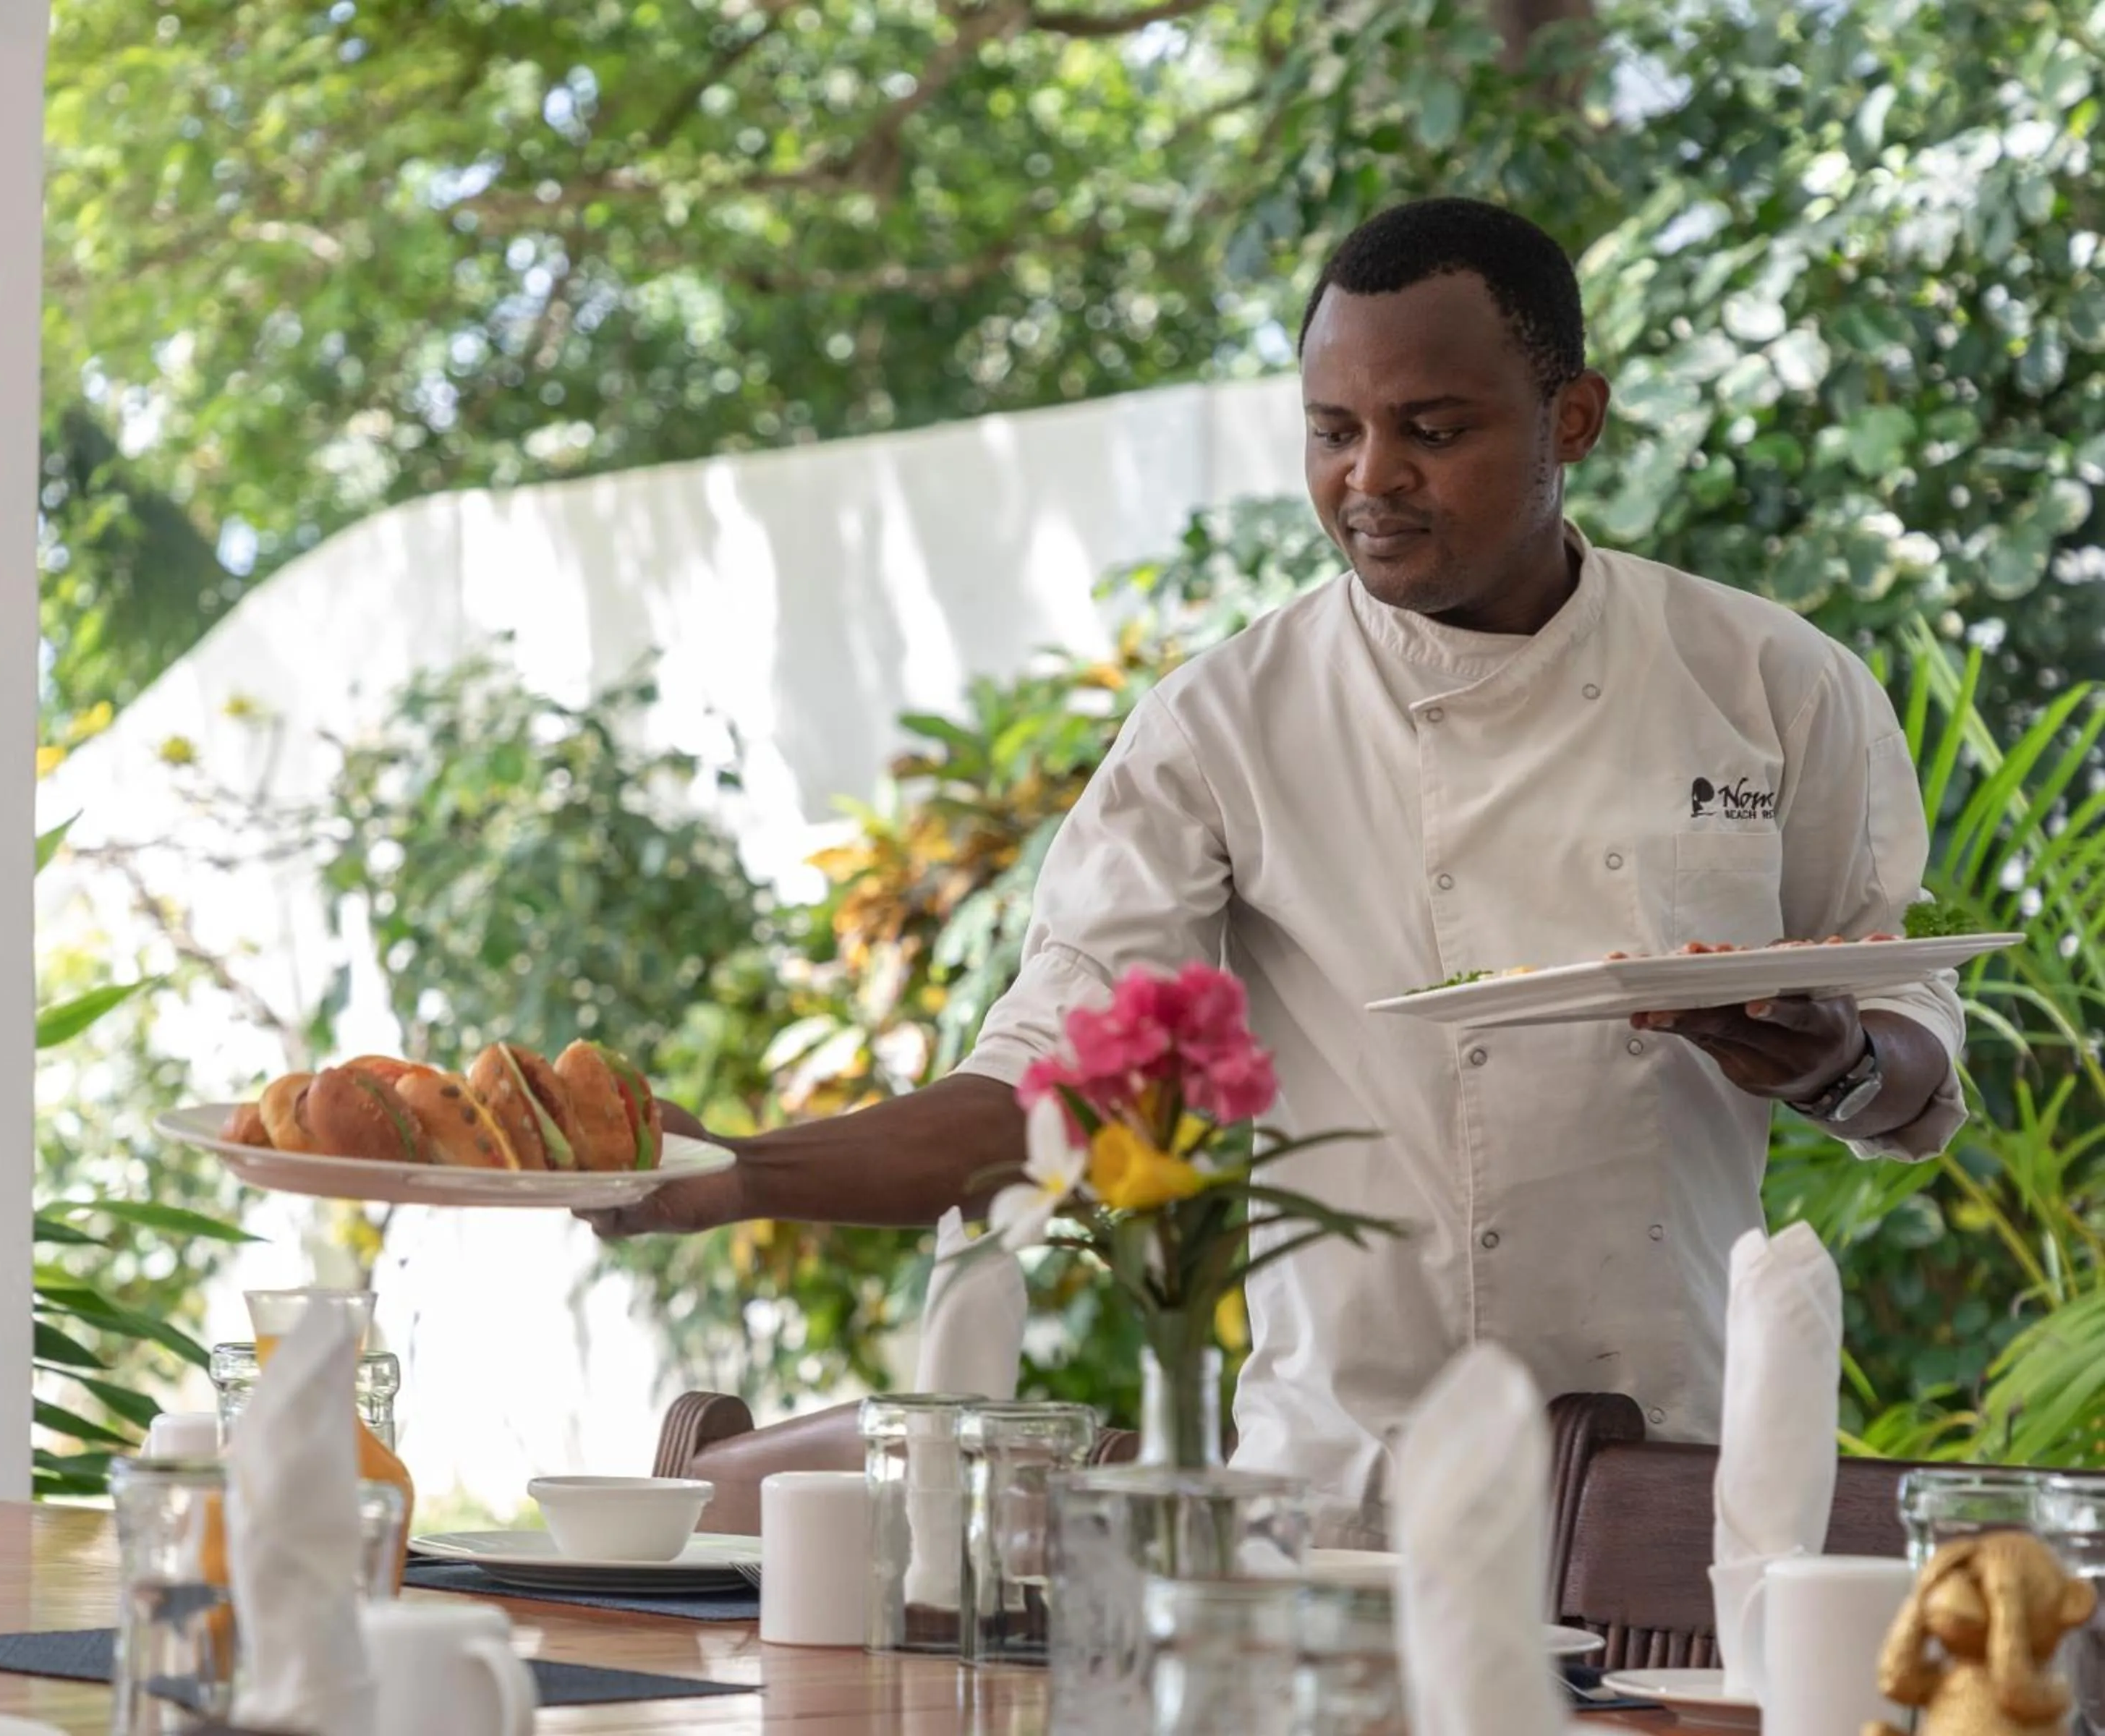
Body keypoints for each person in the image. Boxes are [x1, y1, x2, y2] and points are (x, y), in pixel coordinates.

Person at [584, 197, 1963, 1544]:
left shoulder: (1770, 683)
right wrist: (742, 1171)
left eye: (1433, 430)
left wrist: (1833, 1063)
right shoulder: (1223, 727)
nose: (1371, 479)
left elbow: (1909, 1051)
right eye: (1332, 431)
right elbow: (1052, 1095)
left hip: (1678, 1477)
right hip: (1347, 1495)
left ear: (1574, 420)